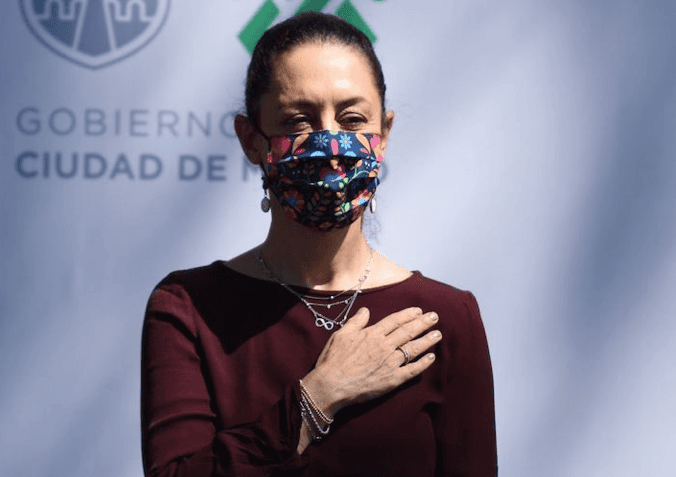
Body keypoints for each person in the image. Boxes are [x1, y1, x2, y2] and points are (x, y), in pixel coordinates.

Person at [141, 12, 496, 477]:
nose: (331, 143)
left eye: (352, 119)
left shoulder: (444, 318)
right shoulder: (189, 309)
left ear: (383, 134)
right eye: (299, 121)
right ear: (252, 140)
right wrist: (317, 399)